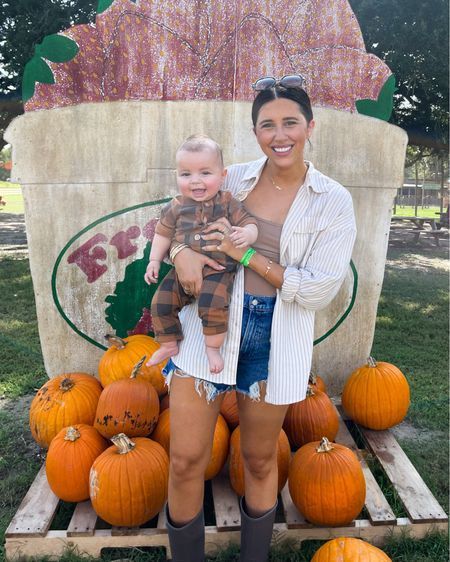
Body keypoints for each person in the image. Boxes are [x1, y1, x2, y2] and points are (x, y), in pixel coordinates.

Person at [161, 75, 356, 562]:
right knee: (185, 459)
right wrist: (181, 252)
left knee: (259, 457)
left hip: (276, 335)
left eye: (290, 121)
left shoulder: (332, 200)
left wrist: (247, 259)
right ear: (256, 133)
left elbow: (316, 289)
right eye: (267, 124)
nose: (279, 133)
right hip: (208, 325)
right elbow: (178, 216)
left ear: (310, 126)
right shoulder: (233, 178)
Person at [144, 134, 258, 373]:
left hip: (218, 270)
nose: (195, 181)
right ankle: (168, 344)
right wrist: (154, 260)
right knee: (161, 301)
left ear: (222, 175)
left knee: (212, 304)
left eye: (205, 173)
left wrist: (247, 234)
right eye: (186, 174)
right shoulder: (175, 207)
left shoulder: (228, 203)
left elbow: (249, 223)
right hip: (180, 271)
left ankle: (212, 347)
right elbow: (163, 234)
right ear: (177, 176)